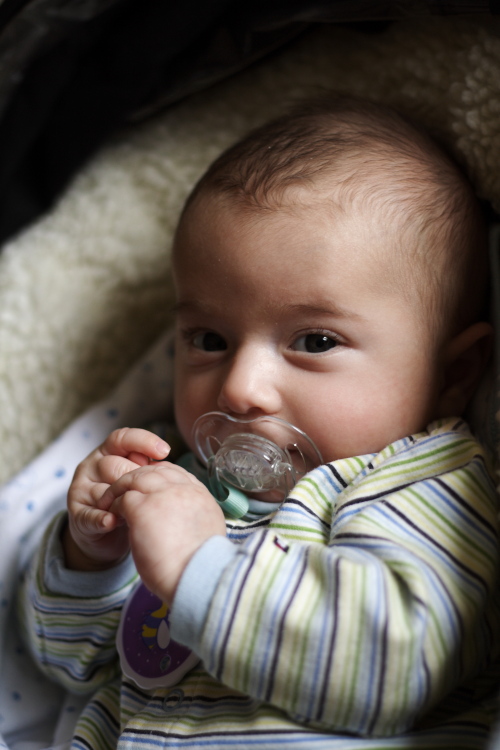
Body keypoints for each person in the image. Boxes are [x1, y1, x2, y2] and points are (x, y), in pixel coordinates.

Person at [18, 97, 500, 749]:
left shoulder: (423, 484)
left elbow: (400, 666)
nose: (240, 387)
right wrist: (90, 558)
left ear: (453, 375)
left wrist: (199, 567)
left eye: (316, 342)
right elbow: (67, 662)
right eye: (209, 339)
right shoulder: (178, 482)